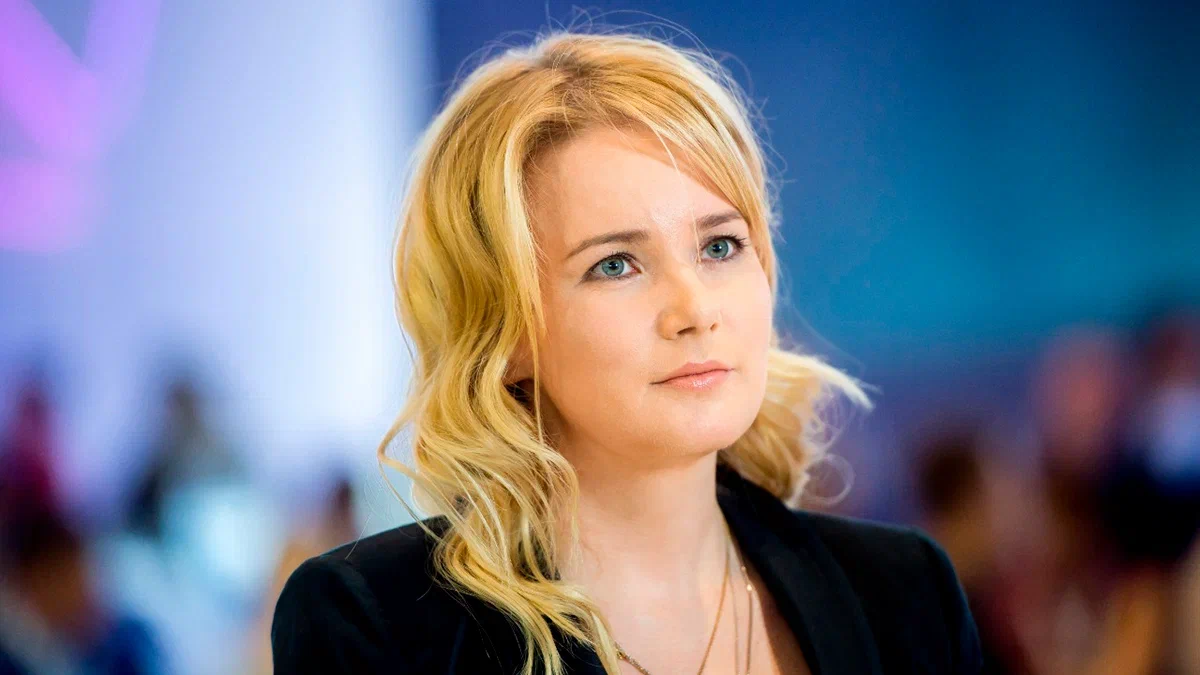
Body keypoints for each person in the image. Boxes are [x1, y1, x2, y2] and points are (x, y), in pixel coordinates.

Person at [271, 28, 981, 675]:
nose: (694, 311)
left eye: (720, 246)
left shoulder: (907, 594)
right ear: (504, 334)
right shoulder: (378, 625)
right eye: (615, 265)